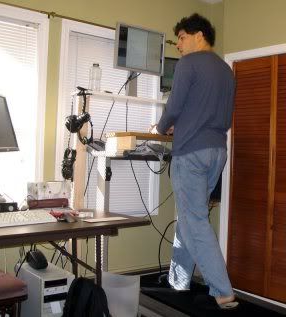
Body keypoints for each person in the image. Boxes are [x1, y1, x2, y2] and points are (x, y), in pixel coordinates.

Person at [150, 13, 237, 309]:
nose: (179, 46)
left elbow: (174, 106)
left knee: (194, 220)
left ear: (199, 35)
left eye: (181, 39)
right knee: (190, 217)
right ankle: (179, 279)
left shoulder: (189, 64)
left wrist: (160, 129)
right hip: (217, 152)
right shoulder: (226, 70)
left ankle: (222, 290)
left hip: (191, 153)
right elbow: (217, 116)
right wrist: (183, 124)